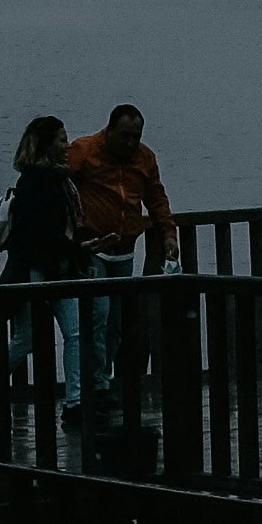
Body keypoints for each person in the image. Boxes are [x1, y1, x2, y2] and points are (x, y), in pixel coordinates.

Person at [64, 103, 177, 415]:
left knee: (115, 325)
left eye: (136, 137)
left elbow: (156, 197)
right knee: (97, 316)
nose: (130, 143)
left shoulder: (145, 157)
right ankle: (96, 386)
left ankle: (102, 379)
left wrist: (168, 234)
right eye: (125, 136)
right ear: (109, 130)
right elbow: (57, 182)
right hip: (93, 248)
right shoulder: (84, 151)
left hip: (125, 251)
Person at [0, 114, 82, 400]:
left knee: (73, 332)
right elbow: (40, 230)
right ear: (47, 145)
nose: (67, 145)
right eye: (62, 139)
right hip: (35, 268)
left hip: (55, 267)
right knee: (27, 338)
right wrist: (76, 250)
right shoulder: (34, 182)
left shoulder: (55, 179)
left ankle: (75, 399)